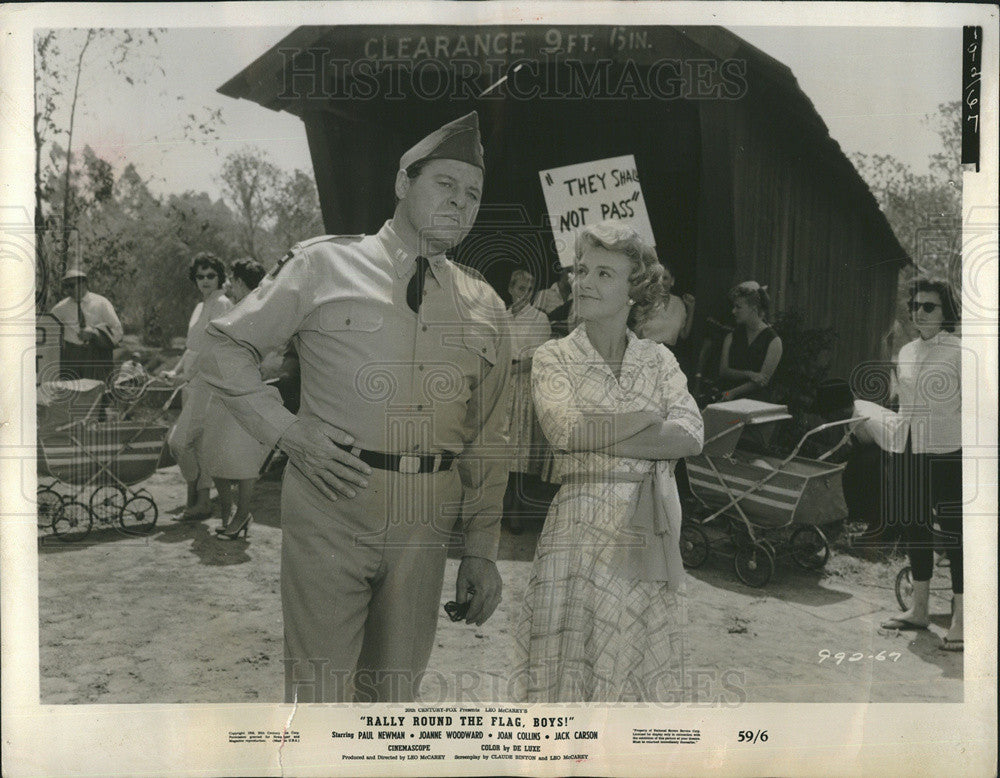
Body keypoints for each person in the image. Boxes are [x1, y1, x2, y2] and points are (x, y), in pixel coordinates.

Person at [197, 111, 511, 702]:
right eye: (445, 184)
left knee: (391, 704)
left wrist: (481, 551)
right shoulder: (323, 265)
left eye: (473, 194)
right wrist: (287, 433)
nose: (461, 204)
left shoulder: (485, 305)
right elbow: (223, 346)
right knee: (319, 699)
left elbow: (488, 438)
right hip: (332, 504)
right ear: (403, 183)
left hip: (426, 522)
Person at [512, 221, 704, 702]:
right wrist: (643, 415)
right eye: (581, 270)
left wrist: (596, 433)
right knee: (567, 681)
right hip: (577, 534)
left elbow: (690, 435)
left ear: (634, 290)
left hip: (649, 531)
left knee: (636, 680)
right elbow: (566, 431)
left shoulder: (659, 360)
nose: (585, 282)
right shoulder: (554, 357)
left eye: (604, 273)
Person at [880, 278, 963, 651]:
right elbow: (903, 401)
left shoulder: (961, 352)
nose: (918, 312)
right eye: (915, 305)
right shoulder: (909, 351)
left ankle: (961, 621)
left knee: (955, 534)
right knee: (916, 526)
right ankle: (919, 611)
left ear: (946, 312)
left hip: (949, 451)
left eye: (928, 306)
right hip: (910, 448)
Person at [200, 258, 270, 539]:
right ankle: (227, 511)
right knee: (214, 448)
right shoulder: (236, 308)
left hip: (244, 384)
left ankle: (242, 514)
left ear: (241, 282)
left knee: (242, 454)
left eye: (232, 281)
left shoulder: (259, 309)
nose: (229, 286)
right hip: (222, 383)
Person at [165, 252, 233, 520]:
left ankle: (195, 496)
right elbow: (191, 348)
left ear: (220, 277)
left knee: (179, 442)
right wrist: (176, 370)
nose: (205, 280)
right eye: (200, 276)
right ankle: (199, 503)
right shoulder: (199, 307)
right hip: (190, 382)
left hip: (208, 382)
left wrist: (190, 374)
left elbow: (215, 347)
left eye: (211, 275)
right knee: (197, 445)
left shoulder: (222, 304)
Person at [503, 268, 554, 533]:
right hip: (500, 387)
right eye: (520, 288)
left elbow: (537, 359)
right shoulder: (500, 316)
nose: (525, 294)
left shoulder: (539, 319)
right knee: (498, 449)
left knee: (519, 451)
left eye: (529, 289)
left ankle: (516, 510)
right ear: (511, 288)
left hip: (521, 386)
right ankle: (496, 508)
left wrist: (508, 370)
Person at [50, 268, 124, 383]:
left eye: (72, 285)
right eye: (66, 286)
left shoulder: (101, 303)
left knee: (99, 393)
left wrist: (95, 333)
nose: (69, 290)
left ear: (83, 284)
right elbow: (49, 334)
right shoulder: (60, 309)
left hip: (96, 356)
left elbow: (118, 331)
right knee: (72, 393)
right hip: (72, 358)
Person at [717, 281, 782, 402]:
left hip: (756, 403)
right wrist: (750, 374)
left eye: (738, 307)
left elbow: (763, 380)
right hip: (727, 400)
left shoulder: (774, 341)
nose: (733, 311)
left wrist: (733, 392)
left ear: (753, 309)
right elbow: (724, 371)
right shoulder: (731, 336)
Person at [636, 264, 695, 352]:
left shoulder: (679, 304)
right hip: (644, 353)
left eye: (665, 278)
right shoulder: (645, 301)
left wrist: (691, 308)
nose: (660, 282)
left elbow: (684, 334)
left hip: (668, 356)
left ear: (672, 281)